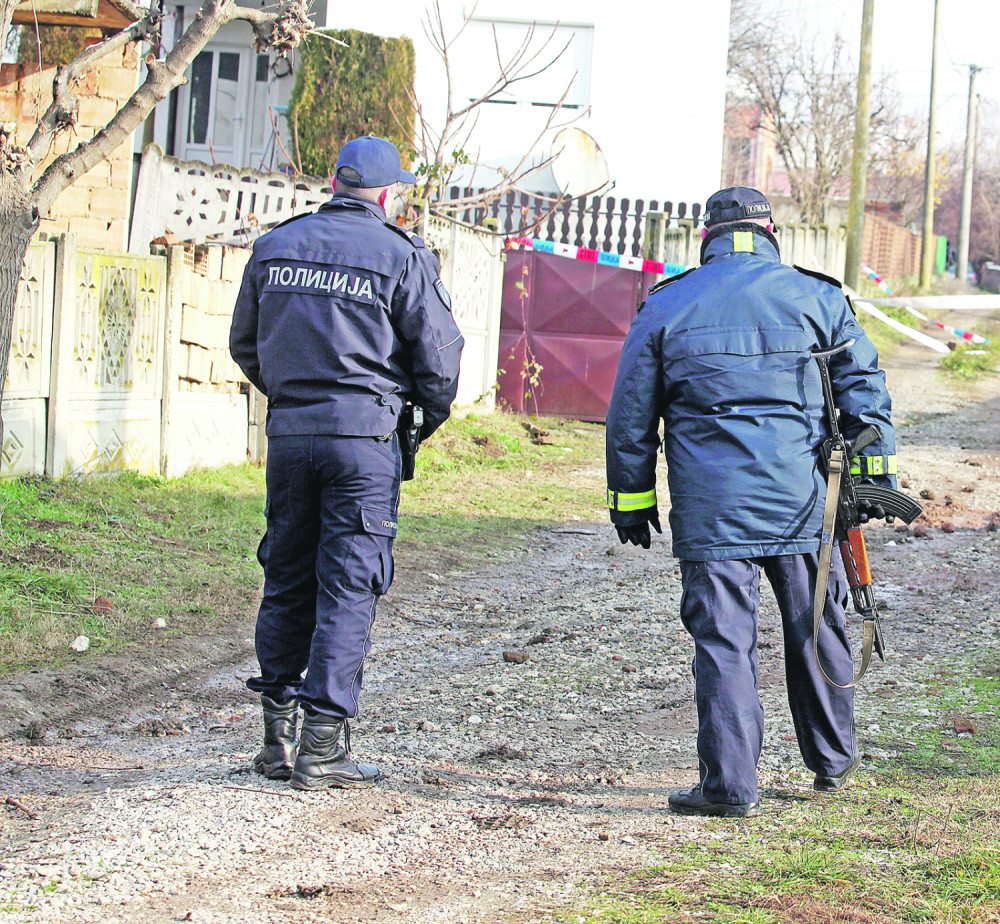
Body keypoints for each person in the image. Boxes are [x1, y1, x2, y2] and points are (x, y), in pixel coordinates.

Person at [605, 187, 897, 817]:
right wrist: (873, 474)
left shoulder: (666, 304)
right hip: (804, 504)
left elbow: (630, 414)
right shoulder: (820, 298)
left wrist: (629, 500)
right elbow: (865, 393)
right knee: (816, 625)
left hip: (713, 510)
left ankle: (730, 788)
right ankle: (833, 763)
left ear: (705, 236)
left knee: (723, 643)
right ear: (770, 232)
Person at [230, 135, 464, 790]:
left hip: (290, 437)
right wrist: (419, 417)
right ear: (389, 195)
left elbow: (244, 344)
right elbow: (439, 363)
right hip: (363, 441)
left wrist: (292, 396)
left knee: (285, 573)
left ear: (335, 184)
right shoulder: (401, 254)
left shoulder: (274, 247)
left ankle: (274, 741)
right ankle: (323, 745)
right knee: (348, 583)